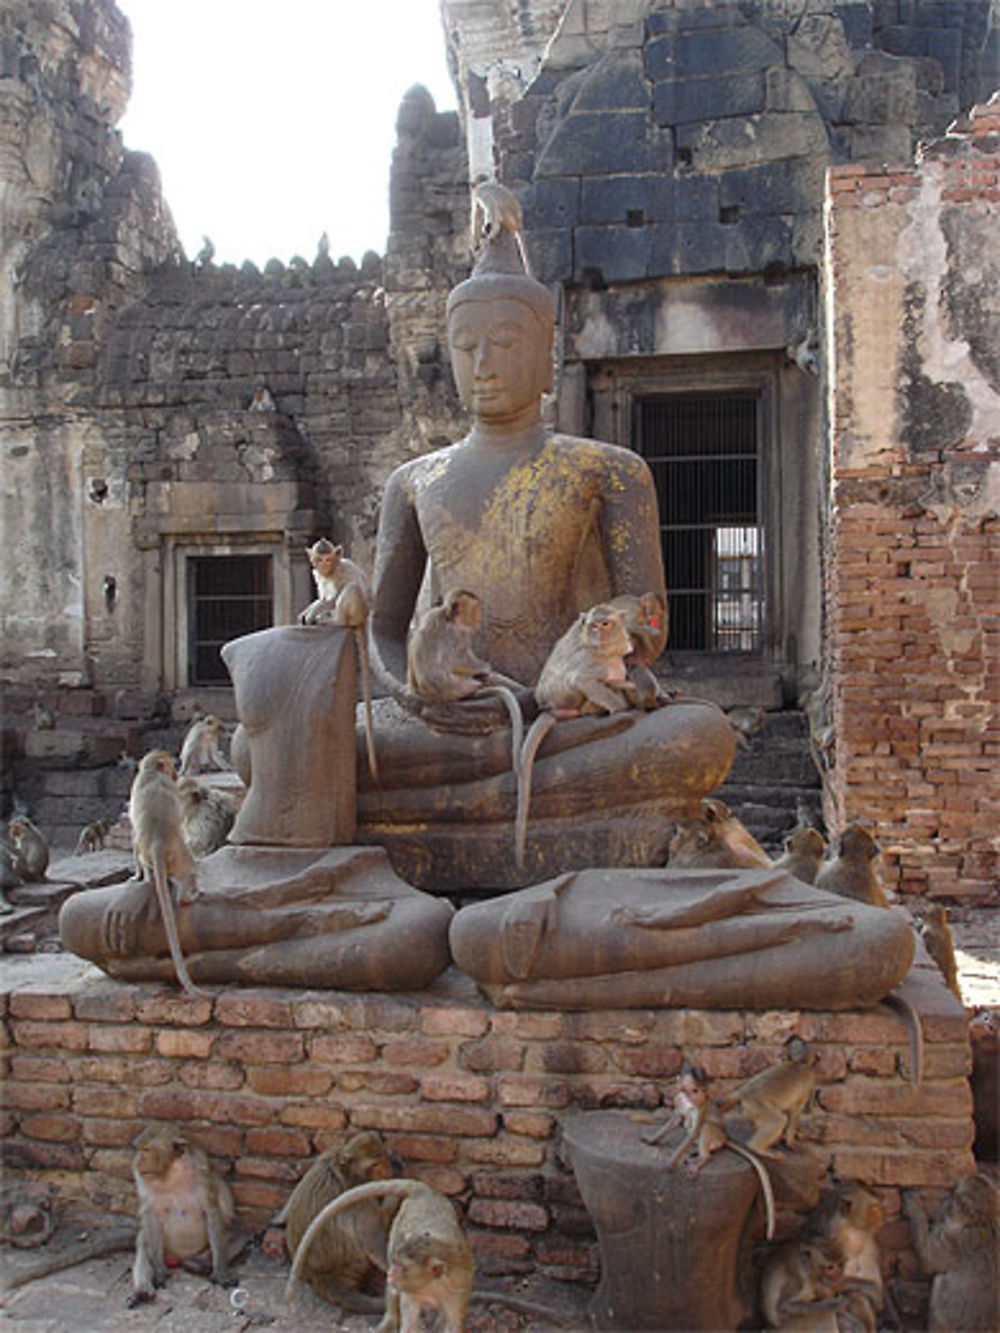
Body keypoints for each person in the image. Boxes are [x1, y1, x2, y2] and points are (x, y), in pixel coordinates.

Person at [358, 193, 734, 892]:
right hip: (453, 730)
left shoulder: (607, 469)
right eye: (468, 348)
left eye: (504, 344)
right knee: (278, 748)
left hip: (572, 721)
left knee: (698, 738)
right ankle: (540, 825)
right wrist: (414, 696)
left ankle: (468, 823)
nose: (485, 364)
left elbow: (651, 614)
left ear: (545, 351)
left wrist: (603, 632)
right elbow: (382, 632)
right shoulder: (414, 482)